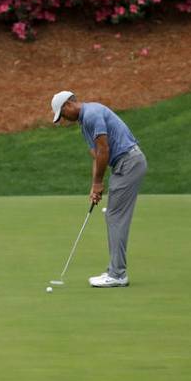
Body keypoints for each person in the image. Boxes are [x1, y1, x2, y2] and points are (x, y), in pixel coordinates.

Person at [51, 90, 147, 287]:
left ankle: (117, 274)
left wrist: (98, 183)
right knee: (113, 215)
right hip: (124, 165)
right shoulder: (85, 122)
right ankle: (116, 271)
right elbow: (97, 154)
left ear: (69, 105)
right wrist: (94, 186)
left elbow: (105, 149)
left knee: (115, 216)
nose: (63, 120)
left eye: (62, 115)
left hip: (128, 162)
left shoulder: (92, 114)